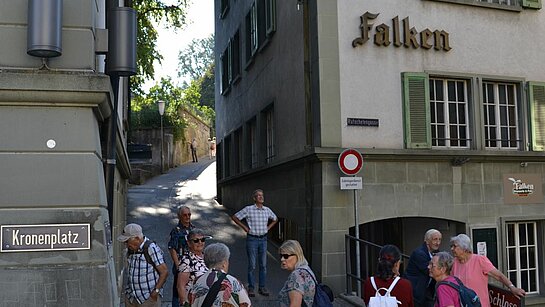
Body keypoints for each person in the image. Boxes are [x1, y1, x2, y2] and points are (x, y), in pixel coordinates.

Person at [450, 234, 526, 307]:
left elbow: (499, 276)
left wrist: (512, 287)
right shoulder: (455, 263)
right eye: (451, 246)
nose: (452, 249)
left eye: (455, 246)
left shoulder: (479, 260)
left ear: (464, 248)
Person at [231, 189, 278, 297]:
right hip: (252, 239)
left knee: (263, 265)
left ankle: (262, 287)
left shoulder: (267, 210)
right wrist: (245, 228)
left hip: (263, 240)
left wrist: (268, 228)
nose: (261, 197)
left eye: (262, 195)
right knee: (252, 265)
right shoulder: (249, 209)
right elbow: (235, 217)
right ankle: (251, 287)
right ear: (254, 198)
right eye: (258, 196)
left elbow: (275, 219)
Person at [117, 223, 169, 307]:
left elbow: (164, 272)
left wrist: (155, 292)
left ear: (137, 238)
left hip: (147, 298)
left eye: (127, 241)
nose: (126, 244)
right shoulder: (131, 249)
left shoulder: (151, 248)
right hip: (131, 296)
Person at [405, 229, 442, 307]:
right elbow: (430, 271)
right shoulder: (419, 253)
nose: (438, 243)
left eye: (439, 239)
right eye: (435, 239)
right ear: (427, 241)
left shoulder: (437, 253)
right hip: (416, 293)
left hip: (427, 291)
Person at [278, 240, 319, 307]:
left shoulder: (296, 276)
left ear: (297, 255)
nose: (282, 259)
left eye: (286, 256)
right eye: (281, 256)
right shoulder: (306, 269)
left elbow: (295, 305)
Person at [168, 206, 195, 307]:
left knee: (192, 290)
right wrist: (177, 265)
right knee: (178, 291)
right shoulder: (176, 231)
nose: (187, 217)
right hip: (181, 265)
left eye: (189, 214)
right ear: (179, 216)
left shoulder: (194, 229)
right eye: (185, 215)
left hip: (193, 265)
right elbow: (171, 248)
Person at [177, 229, 209, 306]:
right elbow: (180, 286)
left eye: (202, 239)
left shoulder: (207, 256)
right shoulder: (186, 260)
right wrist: (185, 304)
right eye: (196, 240)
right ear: (189, 243)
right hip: (194, 302)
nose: (200, 242)